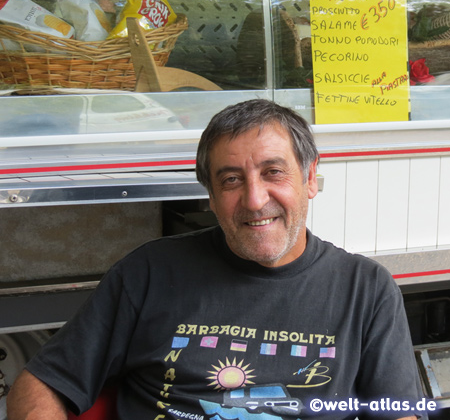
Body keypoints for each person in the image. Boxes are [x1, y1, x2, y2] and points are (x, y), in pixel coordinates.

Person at [7, 99, 426, 420]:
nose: (255, 200)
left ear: (311, 179)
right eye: (231, 180)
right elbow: (42, 383)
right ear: (210, 196)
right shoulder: (150, 272)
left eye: (273, 172)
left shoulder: (366, 289)